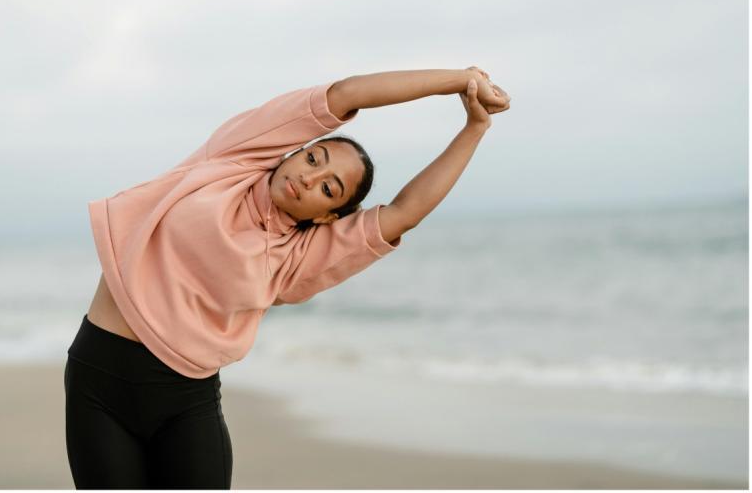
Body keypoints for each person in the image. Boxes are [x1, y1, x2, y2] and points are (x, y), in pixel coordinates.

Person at [63, 66, 511, 489]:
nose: (309, 177)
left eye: (329, 188)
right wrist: (459, 79)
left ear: (328, 216)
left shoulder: (299, 256)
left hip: (185, 400)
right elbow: (347, 95)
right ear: (296, 149)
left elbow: (403, 212)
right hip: (100, 378)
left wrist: (474, 128)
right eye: (314, 159)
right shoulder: (234, 158)